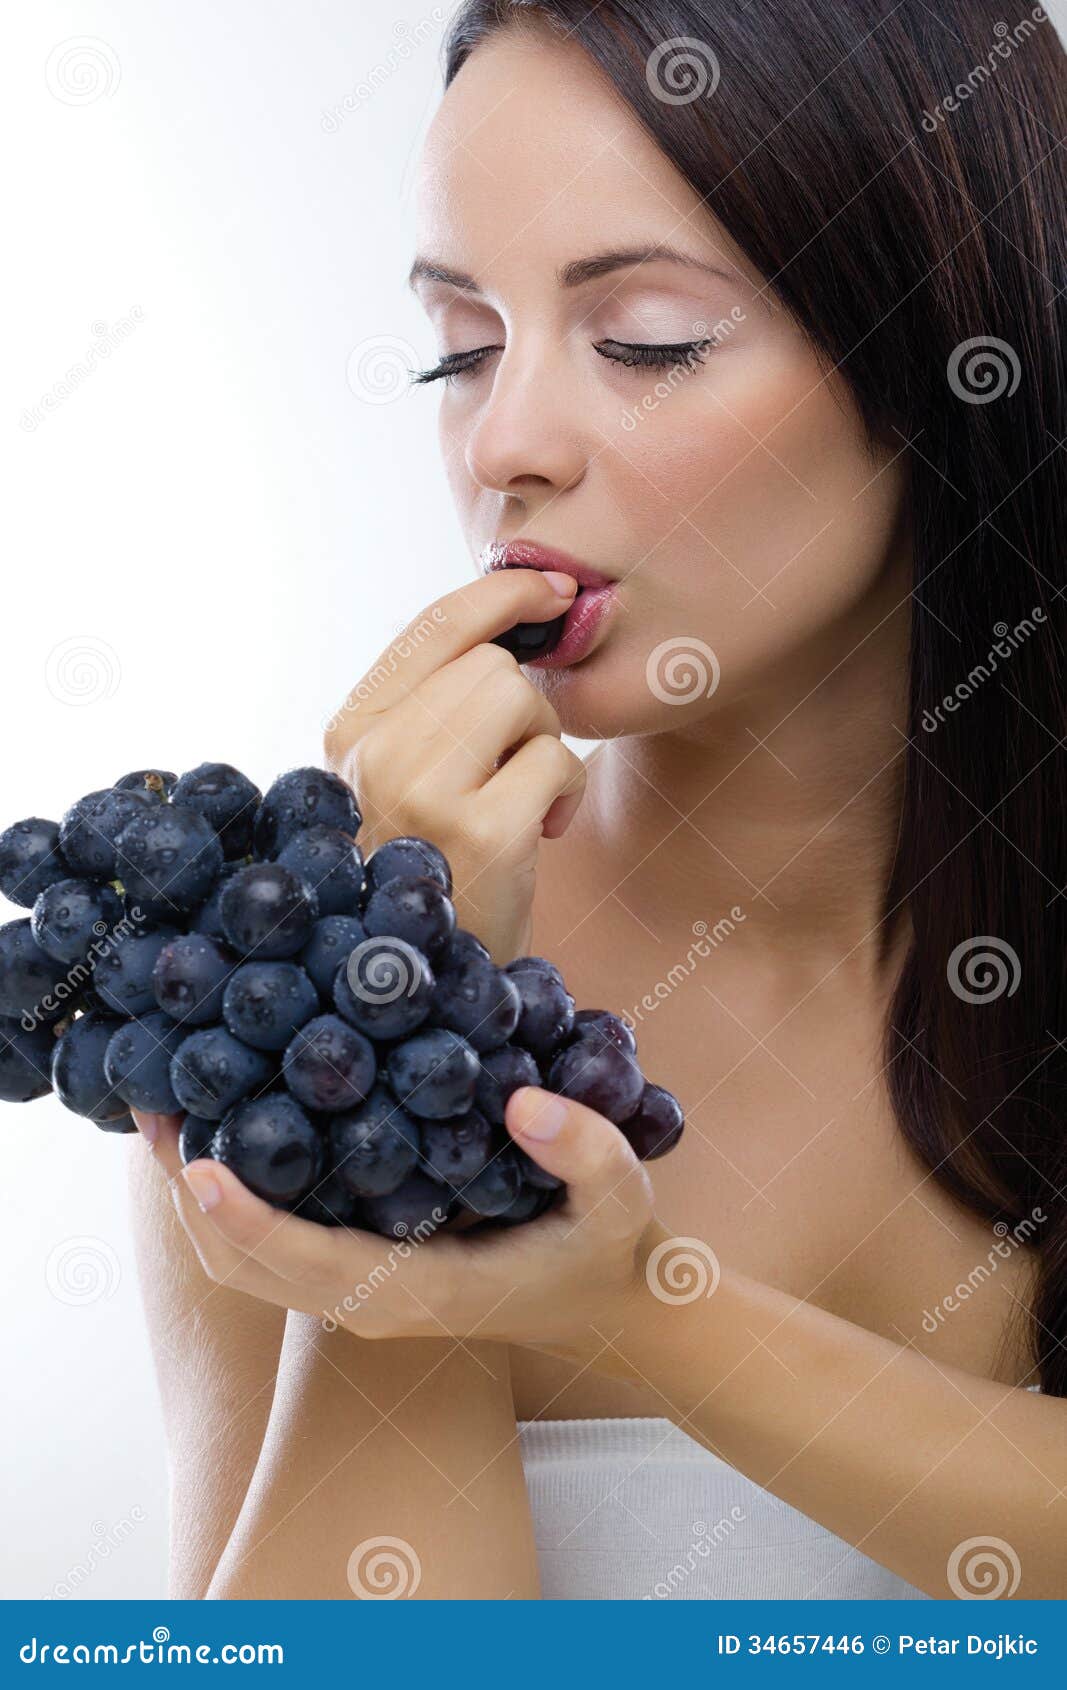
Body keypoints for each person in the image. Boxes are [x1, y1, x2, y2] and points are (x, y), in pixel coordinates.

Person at [129, 0, 1067, 1599]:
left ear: (943, 356)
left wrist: (636, 1310)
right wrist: (418, 1046)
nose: (505, 445)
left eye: (645, 340)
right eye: (462, 347)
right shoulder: (279, 980)